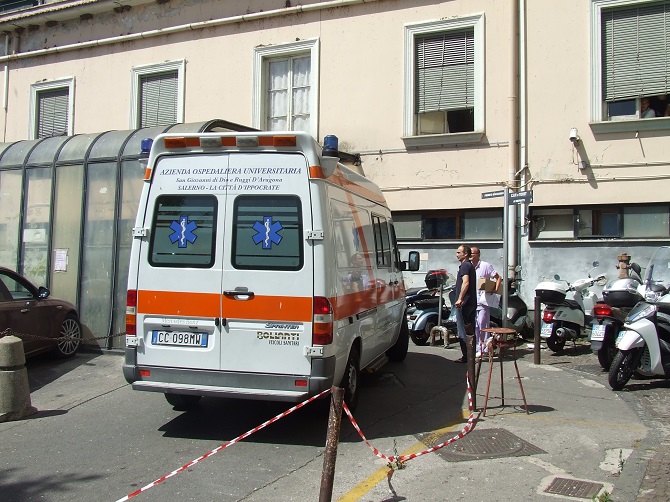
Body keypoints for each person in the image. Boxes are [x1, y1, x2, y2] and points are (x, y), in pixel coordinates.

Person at [470, 247, 502, 358]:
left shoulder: (485, 266)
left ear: (478, 255)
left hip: (482, 301)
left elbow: (498, 278)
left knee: (483, 325)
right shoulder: (469, 267)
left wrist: (495, 290)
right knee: (475, 326)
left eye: (472, 253)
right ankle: (479, 347)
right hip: (472, 301)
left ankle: (483, 349)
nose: (470, 255)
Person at [453, 245, 477, 363]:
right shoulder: (470, 266)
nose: (457, 254)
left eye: (459, 252)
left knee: (462, 330)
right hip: (471, 302)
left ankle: (466, 357)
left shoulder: (465, 266)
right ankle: (471, 355)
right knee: (471, 330)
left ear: (465, 254)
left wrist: (460, 299)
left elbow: (466, 283)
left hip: (464, 303)